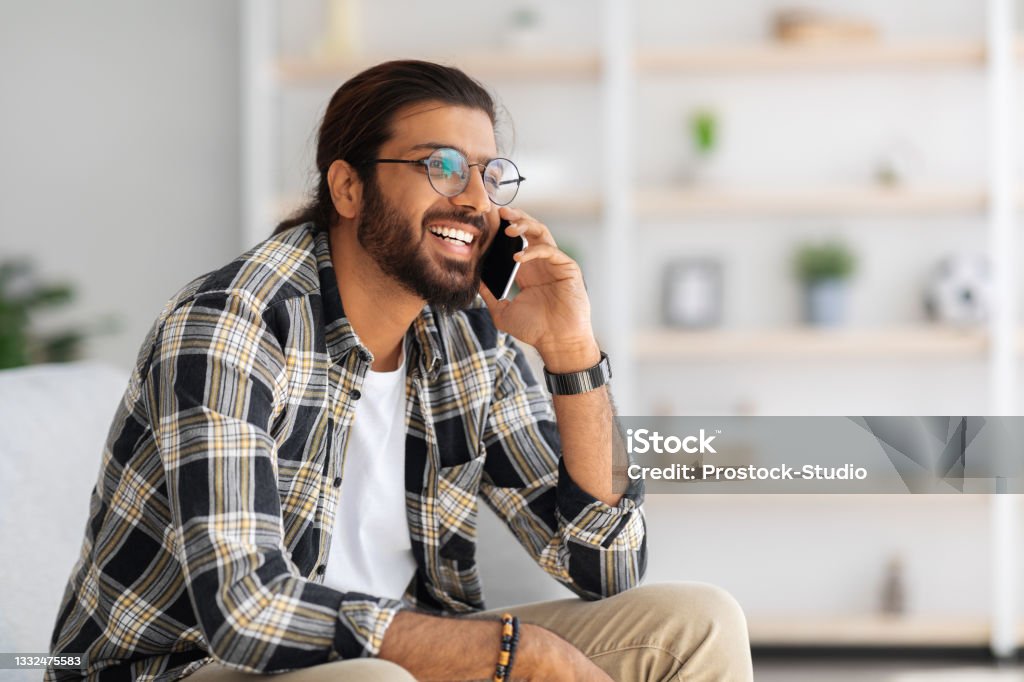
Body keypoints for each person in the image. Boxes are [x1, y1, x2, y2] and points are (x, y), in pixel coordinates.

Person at [48, 60, 752, 681]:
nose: (475, 200)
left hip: (394, 657)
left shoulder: (468, 336)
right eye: (441, 166)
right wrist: (512, 654)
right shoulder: (232, 324)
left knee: (698, 622)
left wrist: (571, 352)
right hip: (189, 667)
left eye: (488, 174)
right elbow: (248, 612)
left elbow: (607, 567)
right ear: (349, 188)